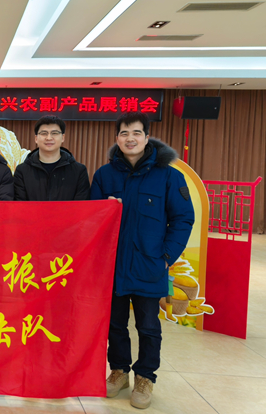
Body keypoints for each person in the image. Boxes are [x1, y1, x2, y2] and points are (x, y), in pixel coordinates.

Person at [90, 112, 194, 409]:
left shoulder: (168, 176)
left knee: (148, 326)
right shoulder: (104, 175)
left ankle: (145, 376)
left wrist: (166, 257)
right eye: (124, 133)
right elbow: (90, 216)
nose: (130, 139)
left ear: (147, 138)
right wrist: (102, 209)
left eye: (136, 133)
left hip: (149, 264)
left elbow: (183, 219)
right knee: (115, 324)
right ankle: (119, 370)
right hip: (113, 266)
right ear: (117, 138)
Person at [14, 115, 90, 201]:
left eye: (54, 133)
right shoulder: (22, 171)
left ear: (63, 138)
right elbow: (20, 205)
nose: (49, 138)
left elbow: (81, 205)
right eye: (44, 133)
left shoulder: (79, 171)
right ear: (36, 138)